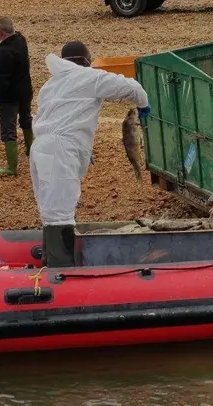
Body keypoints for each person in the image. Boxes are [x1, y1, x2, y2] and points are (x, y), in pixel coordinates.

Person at [29, 41, 151, 267]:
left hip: (40, 148)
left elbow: (58, 117)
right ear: (86, 60)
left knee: (49, 208)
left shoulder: (50, 84)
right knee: (61, 213)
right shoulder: (89, 77)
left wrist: (83, 149)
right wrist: (143, 105)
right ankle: (61, 271)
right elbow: (131, 87)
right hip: (62, 149)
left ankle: (48, 262)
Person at [0, 12, 34, 176]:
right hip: (25, 91)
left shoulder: (4, 52)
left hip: (9, 97)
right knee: (26, 120)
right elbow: (5, 27)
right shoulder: (20, 39)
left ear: (0, 34)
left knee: (8, 129)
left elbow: (2, 81)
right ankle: (30, 150)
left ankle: (12, 168)